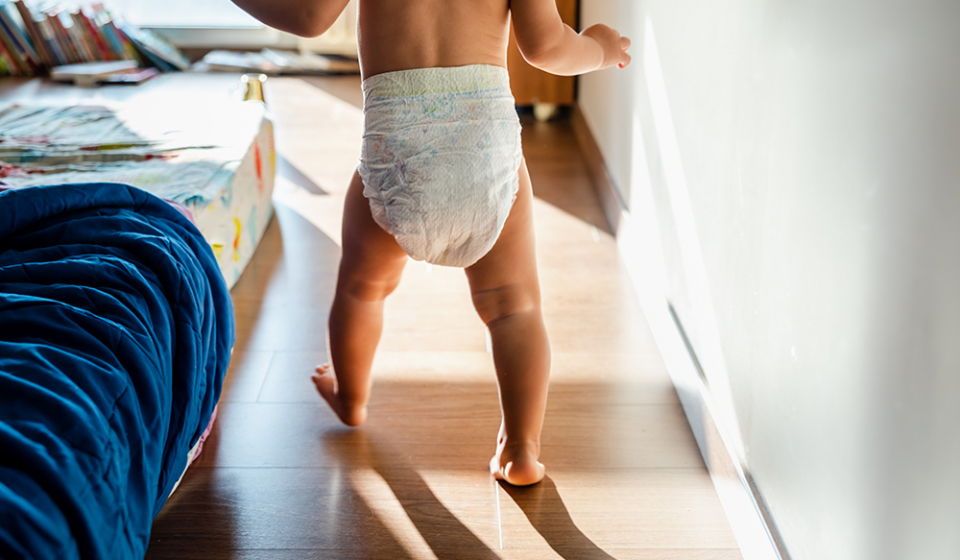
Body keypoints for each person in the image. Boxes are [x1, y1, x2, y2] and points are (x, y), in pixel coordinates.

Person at [230, 0, 631, 486]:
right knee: (513, 309)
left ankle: (351, 396)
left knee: (362, 288)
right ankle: (521, 447)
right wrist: (600, 49)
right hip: (486, 151)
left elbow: (309, 18)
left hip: (396, 152)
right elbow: (546, 47)